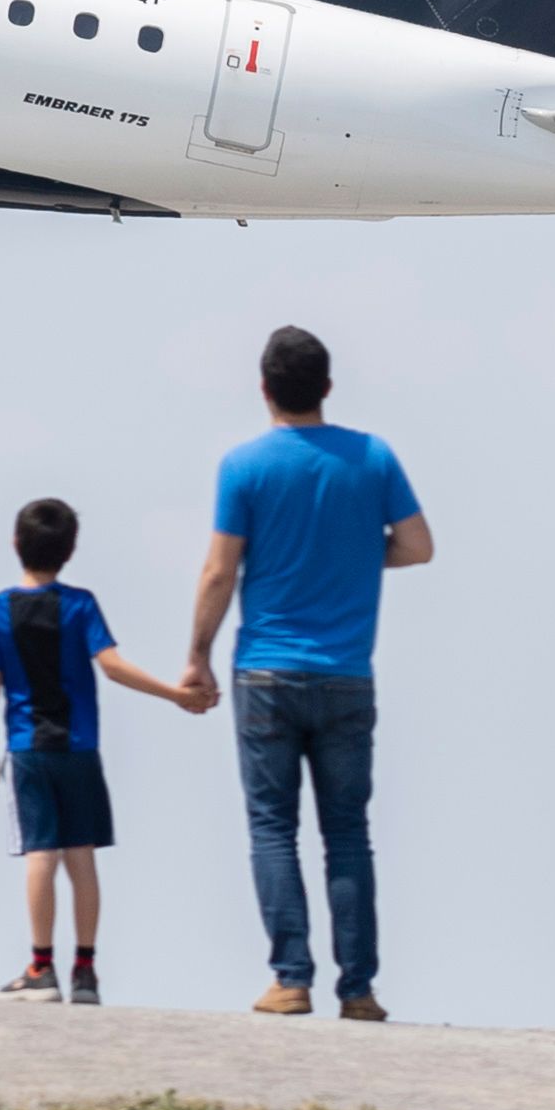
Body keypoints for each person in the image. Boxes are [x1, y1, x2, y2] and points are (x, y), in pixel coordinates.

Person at [184, 325, 431, 1022]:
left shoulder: (244, 466)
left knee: (272, 827)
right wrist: (354, 555)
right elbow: (418, 545)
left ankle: (291, 978)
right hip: (348, 673)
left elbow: (219, 570)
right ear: (327, 387)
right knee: (348, 831)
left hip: (265, 670)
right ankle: (358, 990)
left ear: (264, 389)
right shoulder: (373, 458)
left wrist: (197, 653)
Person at [0, 499, 209, 1005]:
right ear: (70, 550)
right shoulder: (81, 605)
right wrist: (175, 693)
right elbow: (112, 665)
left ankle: (41, 967)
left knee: (40, 852)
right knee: (81, 856)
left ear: (16, 543)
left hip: (27, 747)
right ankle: (85, 971)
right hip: (80, 748)